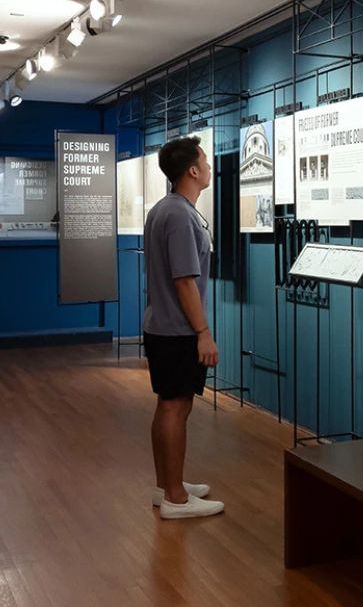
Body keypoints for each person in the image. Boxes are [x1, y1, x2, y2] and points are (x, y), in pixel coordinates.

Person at [143, 136, 224, 520]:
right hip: (177, 331)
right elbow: (185, 280)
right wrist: (203, 332)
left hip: (163, 326)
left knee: (169, 406)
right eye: (205, 161)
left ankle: (167, 484)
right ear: (192, 170)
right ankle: (175, 497)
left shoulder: (166, 209)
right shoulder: (178, 215)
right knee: (177, 407)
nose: (209, 166)